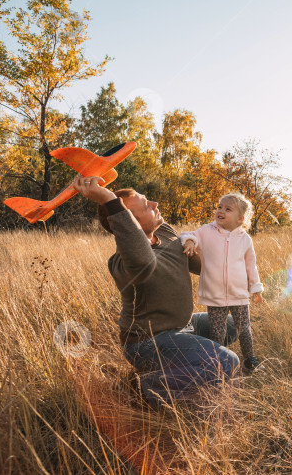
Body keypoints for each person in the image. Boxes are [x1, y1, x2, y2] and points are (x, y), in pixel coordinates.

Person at [72, 175, 240, 408]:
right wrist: (108, 200)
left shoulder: (165, 234)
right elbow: (143, 260)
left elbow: (199, 265)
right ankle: (139, 388)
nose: (155, 204)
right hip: (146, 343)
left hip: (182, 328)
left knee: (235, 323)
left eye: (148, 200)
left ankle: (184, 362)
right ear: (130, 223)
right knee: (227, 362)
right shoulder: (123, 263)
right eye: (146, 206)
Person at [181, 193, 263, 373]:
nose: (221, 211)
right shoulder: (207, 231)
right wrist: (189, 242)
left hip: (239, 294)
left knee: (244, 329)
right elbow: (189, 234)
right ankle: (218, 363)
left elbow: (251, 265)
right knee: (217, 333)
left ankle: (250, 359)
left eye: (227, 209)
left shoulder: (244, 239)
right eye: (219, 207)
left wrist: (256, 287)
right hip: (215, 294)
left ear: (240, 218)